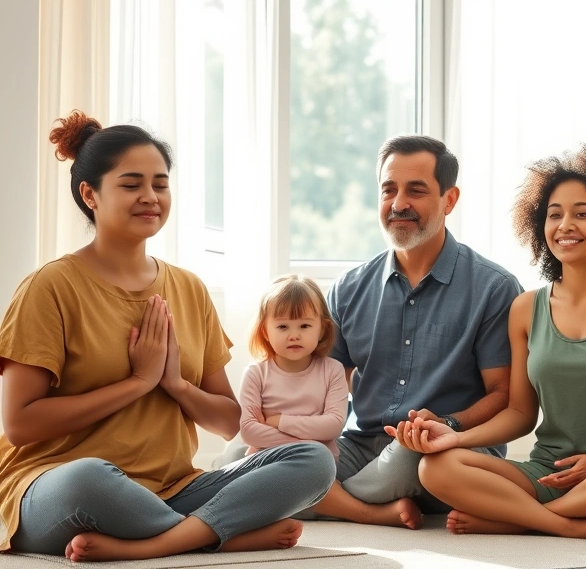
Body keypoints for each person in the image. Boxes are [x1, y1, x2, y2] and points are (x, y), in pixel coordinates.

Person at [0, 111, 336, 562]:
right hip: (59, 488)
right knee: (91, 478)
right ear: (90, 194)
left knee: (313, 461)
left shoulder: (188, 289)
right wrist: (136, 384)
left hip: (172, 490)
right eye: (131, 184)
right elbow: (20, 425)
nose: (150, 197)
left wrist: (174, 383)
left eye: (160, 184)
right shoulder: (51, 287)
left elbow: (225, 421)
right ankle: (220, 536)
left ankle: (163, 541)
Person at [213, 134, 523, 527]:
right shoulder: (350, 287)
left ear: (449, 199)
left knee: (404, 464)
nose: (398, 204)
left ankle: (314, 499)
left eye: (416, 190)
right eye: (388, 189)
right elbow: (323, 384)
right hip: (361, 442)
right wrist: (286, 434)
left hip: (441, 449)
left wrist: (449, 425)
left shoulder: (494, 287)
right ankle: (369, 509)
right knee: (235, 456)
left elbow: (503, 394)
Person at [389, 144, 586, 540]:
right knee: (435, 468)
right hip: (549, 470)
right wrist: (457, 436)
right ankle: (565, 524)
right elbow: (519, 413)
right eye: (554, 215)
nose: (565, 225)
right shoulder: (526, 308)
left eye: (582, 214)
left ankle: (516, 520)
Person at [239, 274, 348, 460]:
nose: (294, 335)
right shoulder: (256, 374)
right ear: (265, 331)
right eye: (283, 327)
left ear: (322, 329)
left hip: (318, 464)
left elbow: (334, 425)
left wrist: (277, 421)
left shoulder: (333, 370)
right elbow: (248, 431)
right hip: (267, 461)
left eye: (304, 326)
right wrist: (311, 444)